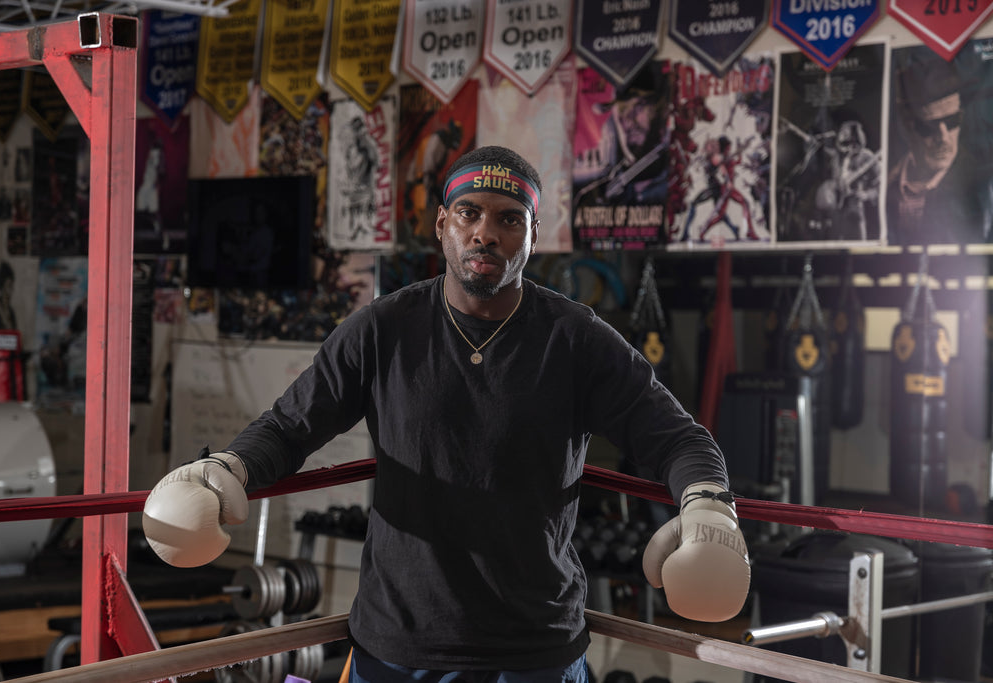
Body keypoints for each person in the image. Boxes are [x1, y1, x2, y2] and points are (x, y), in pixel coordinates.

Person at [143, 146, 750, 681]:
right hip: (397, 647)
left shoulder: (576, 339)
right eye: (470, 214)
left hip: (533, 647)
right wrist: (227, 468)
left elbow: (676, 437)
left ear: (534, 235)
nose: (486, 233)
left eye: (510, 220)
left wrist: (707, 505)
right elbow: (292, 424)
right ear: (442, 224)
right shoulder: (382, 330)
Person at [887, 55, 993, 245]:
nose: (944, 138)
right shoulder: (881, 184)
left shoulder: (982, 186)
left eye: (953, 121)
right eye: (930, 126)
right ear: (906, 126)